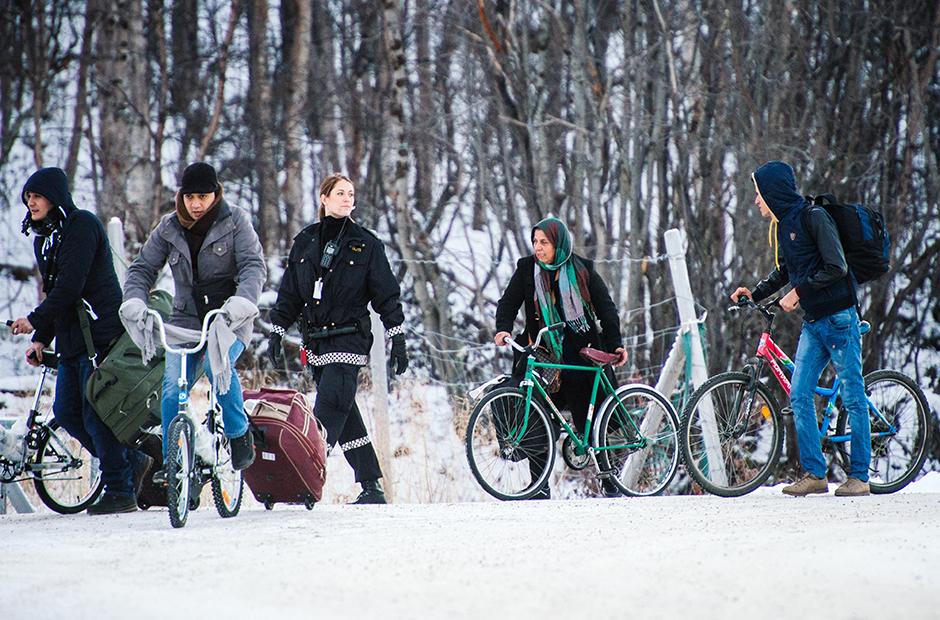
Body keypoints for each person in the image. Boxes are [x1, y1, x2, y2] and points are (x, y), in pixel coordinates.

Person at [9, 167, 150, 515]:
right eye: (28, 198)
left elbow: (71, 287)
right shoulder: (45, 238)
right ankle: (131, 462)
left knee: (95, 414)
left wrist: (35, 321)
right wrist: (42, 339)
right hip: (73, 340)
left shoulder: (82, 226)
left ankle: (121, 489)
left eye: (37, 196)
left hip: (98, 337)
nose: (32, 203)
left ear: (55, 197)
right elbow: (58, 292)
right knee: (67, 411)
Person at [730, 160, 870, 497]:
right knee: (799, 393)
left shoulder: (814, 217)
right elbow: (785, 272)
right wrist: (755, 292)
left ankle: (860, 478)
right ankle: (815, 474)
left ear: (773, 192)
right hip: (814, 323)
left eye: (759, 194)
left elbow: (836, 266)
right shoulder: (783, 226)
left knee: (852, 395)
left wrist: (799, 292)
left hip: (839, 318)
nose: (756, 201)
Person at [268, 173, 407, 505]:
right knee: (345, 415)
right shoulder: (304, 241)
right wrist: (276, 330)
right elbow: (290, 293)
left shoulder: (367, 244)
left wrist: (396, 336)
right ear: (324, 198)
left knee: (329, 406)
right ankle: (372, 486)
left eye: (351, 194)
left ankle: (301, 477)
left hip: (350, 339)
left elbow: (386, 295)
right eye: (340, 193)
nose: (347, 198)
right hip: (316, 340)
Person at [122, 162, 266, 483]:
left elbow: (253, 267)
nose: (196, 204)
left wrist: (241, 303)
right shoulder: (169, 227)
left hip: (228, 318)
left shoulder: (236, 221)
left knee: (219, 372)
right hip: (185, 321)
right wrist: (134, 300)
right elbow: (143, 268)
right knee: (173, 388)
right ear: (181, 197)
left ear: (216, 195)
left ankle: (238, 431)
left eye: (203, 196)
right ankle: (175, 459)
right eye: (190, 197)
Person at [494, 216, 627, 499]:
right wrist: (503, 328)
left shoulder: (583, 271)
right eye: (535, 242)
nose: (538, 248)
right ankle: (538, 487)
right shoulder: (526, 269)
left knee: (593, 420)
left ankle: (609, 481)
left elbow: (606, 310)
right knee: (533, 412)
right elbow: (508, 302)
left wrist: (615, 344)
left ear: (559, 244)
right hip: (542, 354)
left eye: (544, 242)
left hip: (579, 357)